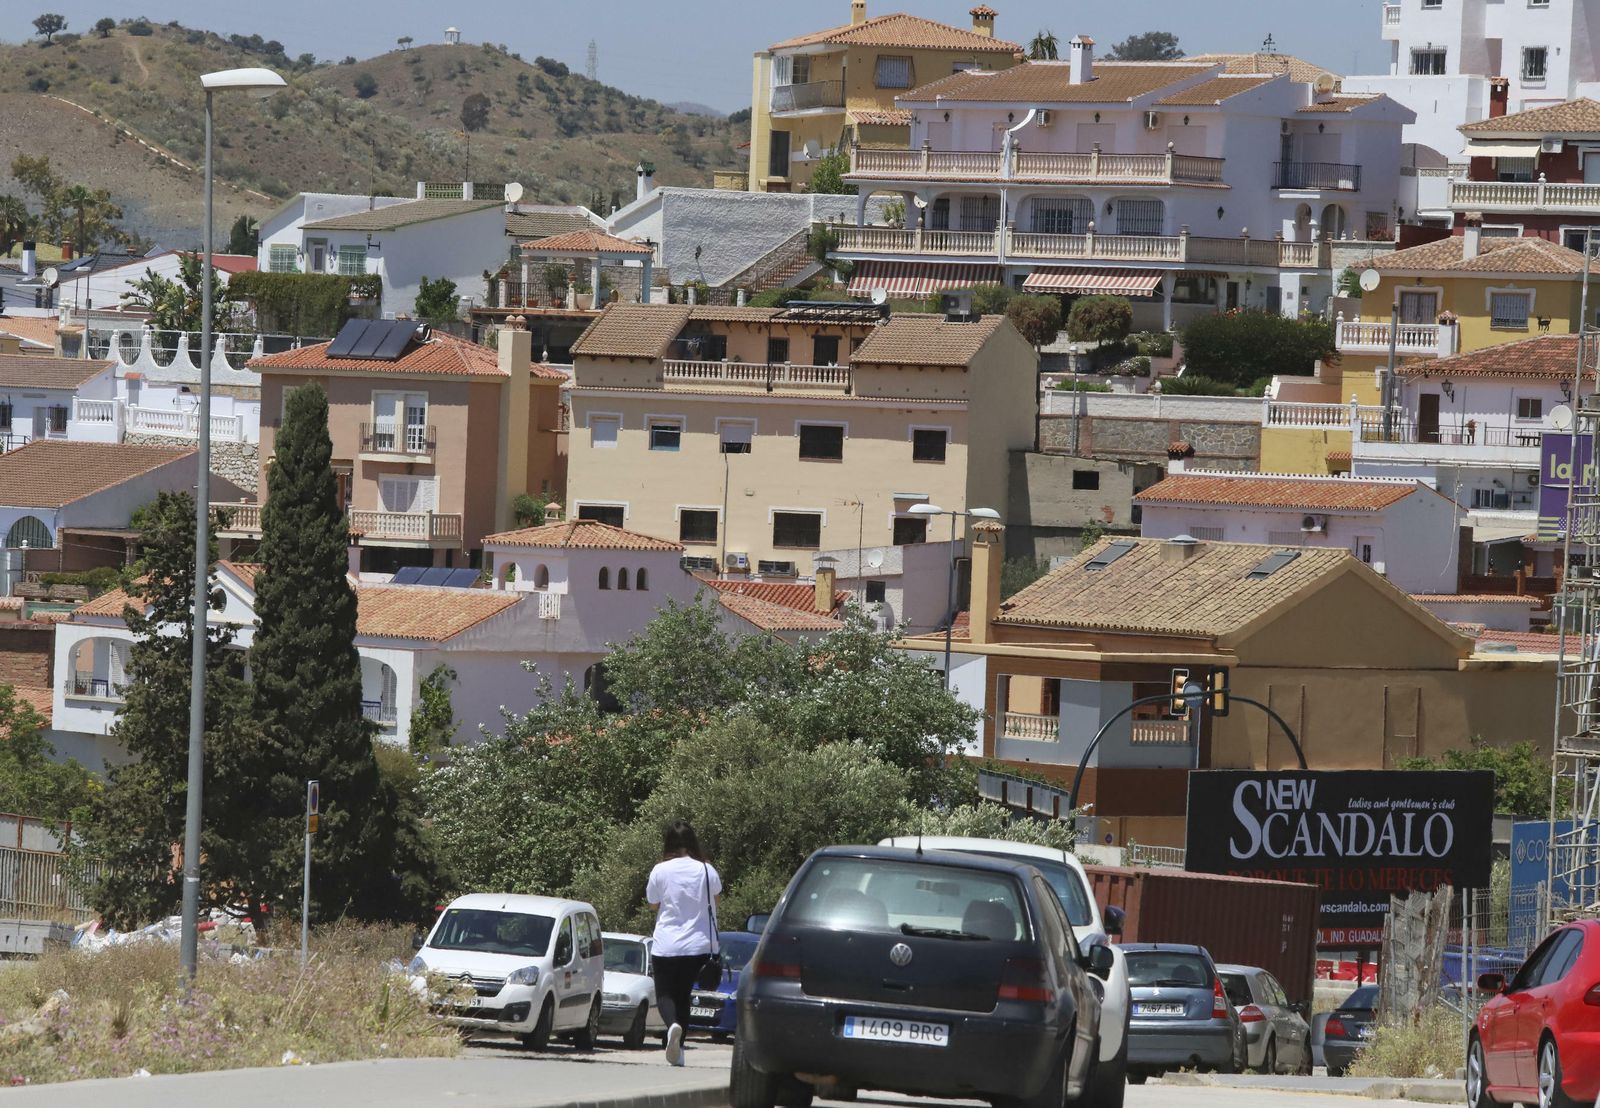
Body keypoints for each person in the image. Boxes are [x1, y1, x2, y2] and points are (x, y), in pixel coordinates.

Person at [646, 819, 721, 1067]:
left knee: (665, 994)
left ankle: (673, 1027)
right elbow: (716, 901)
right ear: (692, 842)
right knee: (684, 995)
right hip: (698, 946)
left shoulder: (660, 870)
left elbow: (653, 904)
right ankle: (678, 1054)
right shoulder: (706, 870)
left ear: (668, 843)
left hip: (666, 944)